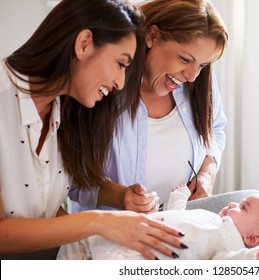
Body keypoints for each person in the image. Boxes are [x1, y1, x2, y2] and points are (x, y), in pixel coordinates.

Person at [0, 0, 186, 260]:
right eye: (121, 64)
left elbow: (40, 215)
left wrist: (105, 242)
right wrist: (98, 221)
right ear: (84, 43)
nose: (121, 83)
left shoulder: (66, 113)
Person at [68, 0, 228, 213]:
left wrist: (207, 174)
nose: (191, 76)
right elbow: (71, 175)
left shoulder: (198, 82)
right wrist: (120, 196)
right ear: (152, 37)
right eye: (184, 59)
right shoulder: (103, 86)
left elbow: (215, 129)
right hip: (111, 237)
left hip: (179, 229)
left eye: (202, 65)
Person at [58, 186, 259, 260]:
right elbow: (178, 218)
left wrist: (252, 257)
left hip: (135, 256)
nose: (233, 205)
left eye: (243, 208)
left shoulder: (230, 243)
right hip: (119, 232)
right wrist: (179, 199)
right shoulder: (212, 218)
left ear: (253, 239)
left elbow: (223, 266)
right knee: (77, 240)